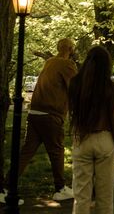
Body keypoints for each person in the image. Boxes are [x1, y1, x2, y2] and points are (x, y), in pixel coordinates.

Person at [0, 38, 77, 205]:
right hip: (50, 115)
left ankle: (5, 188)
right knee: (57, 151)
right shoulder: (67, 65)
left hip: (34, 113)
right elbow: (76, 89)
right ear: (71, 49)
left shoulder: (49, 63)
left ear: (58, 47)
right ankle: (60, 189)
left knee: (26, 152)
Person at [68, 45, 114, 214]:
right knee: (105, 199)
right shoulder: (110, 88)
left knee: (81, 198)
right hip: (105, 141)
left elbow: (71, 113)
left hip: (81, 138)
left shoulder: (75, 83)